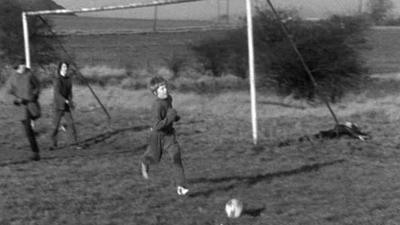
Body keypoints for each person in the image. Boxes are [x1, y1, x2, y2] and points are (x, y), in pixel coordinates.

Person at [140, 76, 189, 196]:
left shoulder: (169, 99)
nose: (165, 90)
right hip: (157, 136)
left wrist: (175, 118)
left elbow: (169, 113)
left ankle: (181, 186)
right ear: (155, 92)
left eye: (165, 87)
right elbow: (156, 125)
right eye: (161, 88)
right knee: (154, 159)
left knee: (176, 157)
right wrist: (170, 118)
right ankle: (144, 162)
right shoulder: (156, 106)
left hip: (169, 135)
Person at [5, 64, 41, 161]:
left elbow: (37, 86)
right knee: (27, 130)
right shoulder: (12, 79)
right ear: (17, 66)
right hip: (21, 108)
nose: (23, 66)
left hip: (31, 105)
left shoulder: (30, 75)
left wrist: (34, 95)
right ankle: (35, 152)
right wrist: (16, 99)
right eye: (21, 65)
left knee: (28, 129)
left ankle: (35, 152)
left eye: (24, 64)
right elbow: (7, 93)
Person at [50, 62, 78, 150]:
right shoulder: (57, 79)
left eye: (66, 66)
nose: (65, 68)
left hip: (66, 106)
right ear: (60, 68)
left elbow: (69, 92)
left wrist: (70, 101)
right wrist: (64, 100)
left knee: (71, 123)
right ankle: (53, 144)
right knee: (55, 126)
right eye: (63, 66)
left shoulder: (68, 79)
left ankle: (73, 144)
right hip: (58, 105)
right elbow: (57, 93)